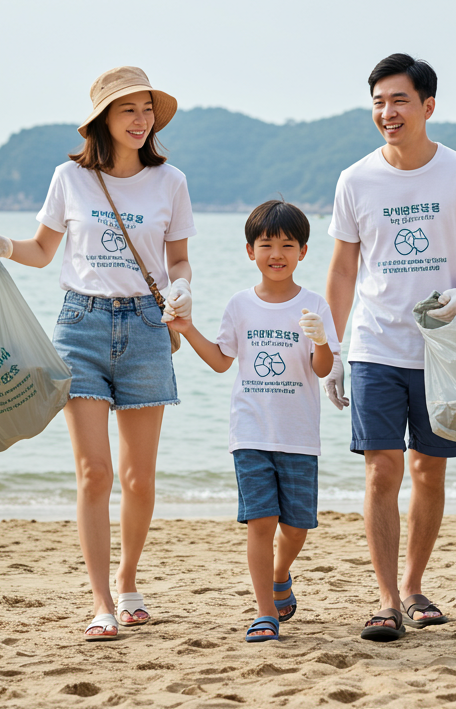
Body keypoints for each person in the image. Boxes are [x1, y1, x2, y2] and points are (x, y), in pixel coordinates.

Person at [0, 66, 196, 642]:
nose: (141, 120)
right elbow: (43, 250)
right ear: (103, 121)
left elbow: (179, 260)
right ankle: (101, 604)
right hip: (81, 326)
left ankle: (129, 581)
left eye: (147, 110)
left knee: (139, 479)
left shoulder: (171, 183)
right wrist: (1, 244)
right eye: (129, 111)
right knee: (95, 473)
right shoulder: (69, 179)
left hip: (146, 325)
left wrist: (183, 289)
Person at [323, 53, 456, 642]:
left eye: (398, 100)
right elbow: (344, 270)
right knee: (381, 472)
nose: (386, 112)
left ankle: (416, 584)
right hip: (374, 344)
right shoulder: (356, 179)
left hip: (442, 348)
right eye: (377, 102)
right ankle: (386, 599)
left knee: (429, 470)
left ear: (426, 106)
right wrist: (330, 347)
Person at [168, 199, 337, 643]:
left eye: (287, 244)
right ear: (250, 251)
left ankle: (282, 572)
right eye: (266, 244)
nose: (276, 253)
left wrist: (320, 341)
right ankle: (266, 612)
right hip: (251, 432)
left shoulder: (314, 305)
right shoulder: (240, 305)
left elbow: (322, 370)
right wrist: (187, 330)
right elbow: (222, 361)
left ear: (303, 251)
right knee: (261, 521)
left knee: (296, 526)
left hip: (299, 435)